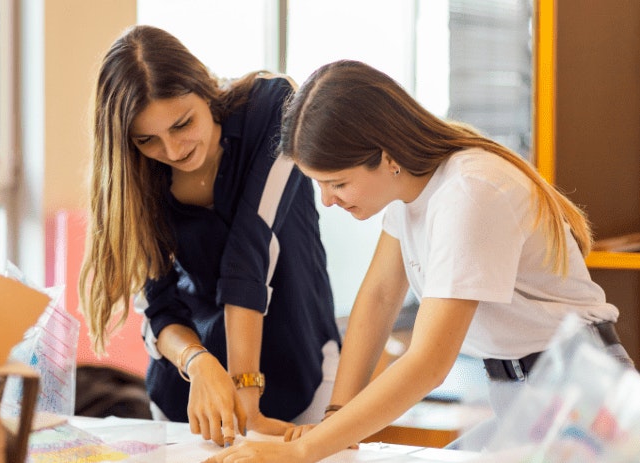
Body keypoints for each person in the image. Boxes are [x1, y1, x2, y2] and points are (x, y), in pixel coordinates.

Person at [205, 59, 635, 463]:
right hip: (525, 394)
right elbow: (378, 298)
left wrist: (304, 450)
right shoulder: (410, 193)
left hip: (583, 398)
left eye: (337, 183)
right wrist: (336, 415)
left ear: (387, 157)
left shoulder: (468, 192)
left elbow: (428, 363)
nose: (328, 201)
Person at [78, 25, 341, 447]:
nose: (173, 149)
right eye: (148, 139)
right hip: (188, 395)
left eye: (183, 124)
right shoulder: (135, 177)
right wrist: (198, 363)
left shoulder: (276, 108)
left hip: (301, 362)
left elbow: (250, 253)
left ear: (205, 88)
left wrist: (247, 399)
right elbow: (159, 308)